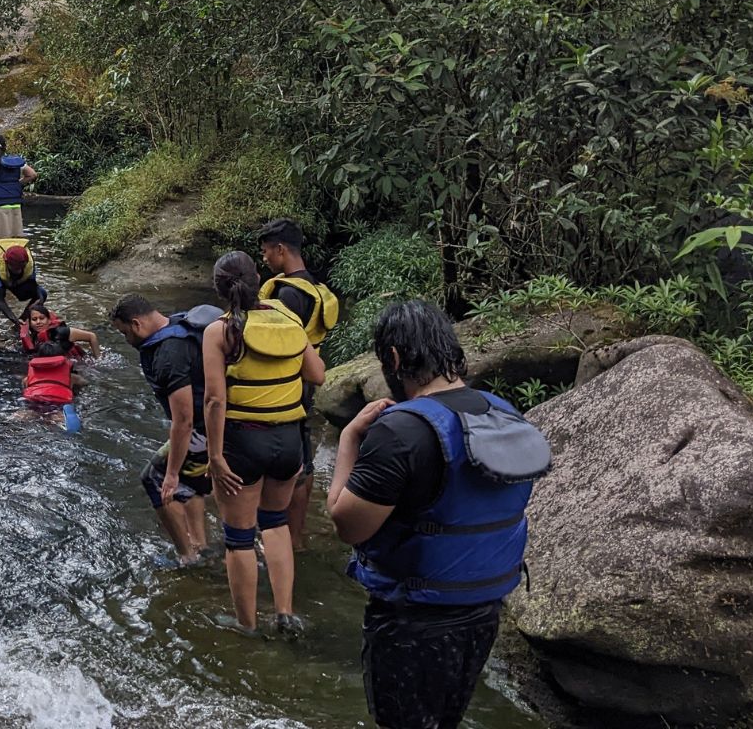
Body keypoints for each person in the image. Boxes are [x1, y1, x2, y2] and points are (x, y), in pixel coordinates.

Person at [328, 299, 549, 729]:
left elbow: (346, 524)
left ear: (393, 358)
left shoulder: (399, 431)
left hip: (413, 621)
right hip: (484, 612)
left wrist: (350, 439)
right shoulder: (503, 413)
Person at [202, 251, 325, 637]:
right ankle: (285, 613)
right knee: (275, 523)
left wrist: (215, 456)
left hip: (243, 441)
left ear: (220, 287)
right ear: (259, 280)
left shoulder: (219, 331)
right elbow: (317, 375)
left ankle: (247, 625)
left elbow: (214, 400)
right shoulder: (289, 319)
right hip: (289, 440)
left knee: (239, 538)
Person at [255, 219, 340, 572]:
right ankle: (297, 537)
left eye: (265, 252)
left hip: (287, 384)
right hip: (305, 386)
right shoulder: (313, 286)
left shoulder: (287, 294)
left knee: (288, 466)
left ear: (280, 250)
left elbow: (276, 342)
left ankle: (282, 537)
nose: (264, 260)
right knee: (302, 459)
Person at [111, 294, 214, 565]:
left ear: (136, 324)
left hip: (203, 430)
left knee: (154, 480)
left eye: (123, 333)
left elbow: (184, 420)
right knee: (190, 483)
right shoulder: (179, 323)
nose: (126, 340)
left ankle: (186, 556)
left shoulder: (168, 354)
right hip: (219, 422)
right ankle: (201, 546)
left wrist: (170, 474)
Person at [0, 238, 46, 336]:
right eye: (16, 268)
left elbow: (34, 286)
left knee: (42, 294)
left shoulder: (29, 262)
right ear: (6, 262)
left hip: (12, 279)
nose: (19, 271)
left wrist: (40, 300)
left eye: (21, 268)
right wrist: (13, 318)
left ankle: (21, 322)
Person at [18, 301, 100, 357]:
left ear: (49, 320)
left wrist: (98, 359)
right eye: (34, 319)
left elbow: (91, 336)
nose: (38, 322)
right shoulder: (34, 338)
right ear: (30, 323)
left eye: (42, 318)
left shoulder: (61, 332)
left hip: (80, 364)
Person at [21, 325, 76, 406]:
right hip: (60, 399)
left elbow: (25, 386)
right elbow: (84, 383)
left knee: (28, 411)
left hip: (34, 397)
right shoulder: (72, 377)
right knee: (58, 415)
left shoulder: (27, 379)